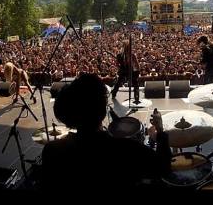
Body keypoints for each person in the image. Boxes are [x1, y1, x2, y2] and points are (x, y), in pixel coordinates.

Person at [41, 73, 171, 190]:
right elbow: (164, 168)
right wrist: (160, 131)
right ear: (102, 110)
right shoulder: (126, 150)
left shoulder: (51, 152)